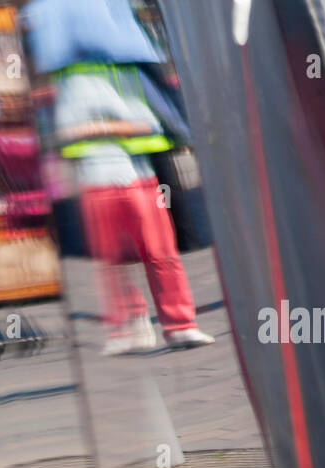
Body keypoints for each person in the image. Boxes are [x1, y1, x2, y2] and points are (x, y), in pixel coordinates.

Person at [26, 0, 214, 355]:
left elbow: (148, 123)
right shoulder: (69, 79)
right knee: (111, 262)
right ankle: (131, 324)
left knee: (160, 254)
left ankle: (180, 325)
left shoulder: (124, 72)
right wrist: (100, 130)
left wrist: (96, 128)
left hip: (136, 175)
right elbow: (63, 134)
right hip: (98, 180)